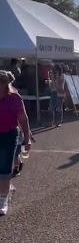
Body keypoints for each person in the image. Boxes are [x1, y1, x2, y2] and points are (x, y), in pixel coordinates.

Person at [0, 71, 31, 215]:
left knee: (5, 169)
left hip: (9, 135)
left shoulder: (14, 98)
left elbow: (23, 119)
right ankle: (6, 189)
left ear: (6, 83)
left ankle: (2, 201)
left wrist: (27, 138)